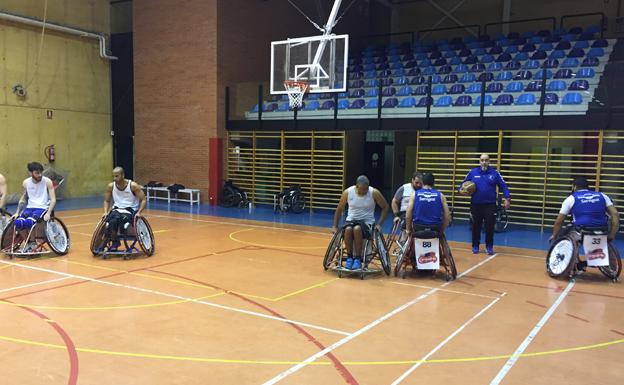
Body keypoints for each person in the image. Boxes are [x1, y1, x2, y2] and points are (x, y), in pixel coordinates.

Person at [550, 177, 620, 272]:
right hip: (602, 230)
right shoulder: (602, 196)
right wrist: (612, 234)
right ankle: (611, 268)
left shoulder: (571, 198)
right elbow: (615, 214)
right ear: (588, 187)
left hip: (582, 231)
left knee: (564, 234)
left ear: (574, 187)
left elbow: (559, 221)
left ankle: (571, 263)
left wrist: (554, 235)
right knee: (604, 240)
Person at [332, 175, 389, 270]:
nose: (364, 192)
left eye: (366, 190)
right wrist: (335, 226)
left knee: (357, 228)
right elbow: (339, 209)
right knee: (348, 229)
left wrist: (379, 223)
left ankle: (358, 258)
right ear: (356, 186)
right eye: (362, 190)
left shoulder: (374, 192)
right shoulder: (348, 192)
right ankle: (350, 257)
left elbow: (385, 207)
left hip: (367, 222)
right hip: (351, 220)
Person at [458, 153, 510, 255]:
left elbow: (503, 185)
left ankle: (489, 246)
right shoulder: (472, 172)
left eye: (486, 160)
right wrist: (461, 190)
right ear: (479, 161)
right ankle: (475, 246)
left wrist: (507, 198)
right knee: (476, 226)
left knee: (489, 226)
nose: (484, 162)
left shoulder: (495, 173)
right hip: (476, 204)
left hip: (490, 205)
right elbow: (463, 184)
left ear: (489, 161)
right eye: (482, 160)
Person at [103, 167, 147, 250]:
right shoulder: (111, 186)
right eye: (113, 176)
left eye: (117, 176)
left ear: (123, 175)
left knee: (120, 220)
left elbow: (143, 199)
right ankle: (115, 242)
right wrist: (105, 212)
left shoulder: (133, 186)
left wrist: (139, 212)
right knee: (110, 221)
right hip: (117, 209)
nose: (114, 178)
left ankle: (118, 239)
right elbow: (106, 200)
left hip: (130, 210)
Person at [13, 162, 56, 240]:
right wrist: (17, 212)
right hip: (29, 207)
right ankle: (28, 242)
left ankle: (33, 242)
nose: (40, 175)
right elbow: (23, 198)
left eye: (41, 172)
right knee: (18, 223)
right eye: (37, 173)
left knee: (29, 222)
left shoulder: (47, 181)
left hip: (42, 207)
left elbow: (53, 199)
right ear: (30, 173)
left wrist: (48, 213)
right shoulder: (26, 182)